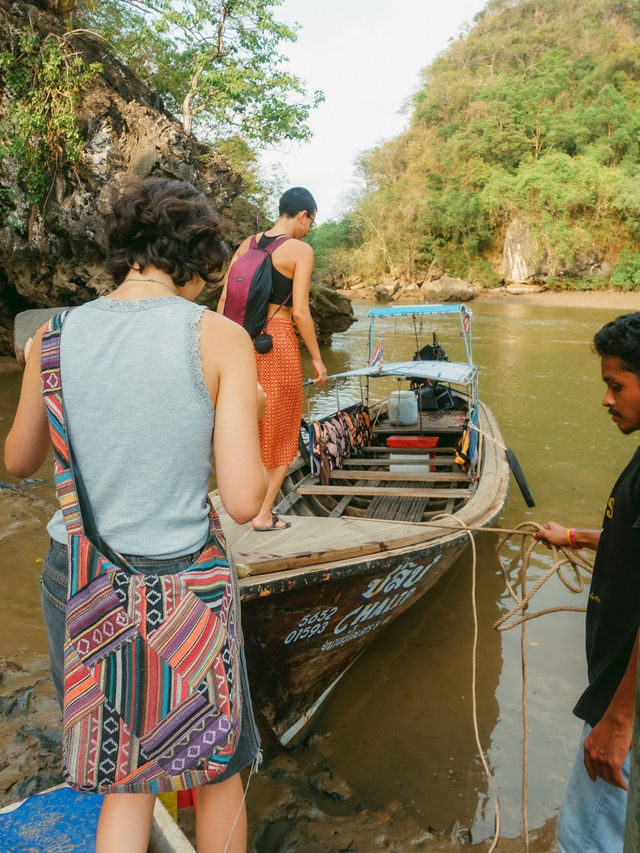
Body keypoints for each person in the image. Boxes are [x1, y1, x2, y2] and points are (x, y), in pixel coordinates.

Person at [4, 176, 267, 853]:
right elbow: (242, 499)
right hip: (185, 589)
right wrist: (265, 431)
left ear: (124, 250)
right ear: (195, 258)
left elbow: (19, 458)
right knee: (219, 765)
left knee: (124, 774)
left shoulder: (53, 338)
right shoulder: (221, 338)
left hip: (80, 577)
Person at [533, 311, 640, 853]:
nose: (606, 399)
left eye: (616, 385)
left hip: (625, 699)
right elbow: (632, 538)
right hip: (620, 693)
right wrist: (574, 536)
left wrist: (619, 720)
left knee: (585, 838)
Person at [217, 186, 328, 531]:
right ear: (302, 215)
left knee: (245, 424)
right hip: (277, 342)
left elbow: (223, 303)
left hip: (240, 341)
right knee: (283, 429)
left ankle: (238, 497)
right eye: (311, 221)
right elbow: (301, 314)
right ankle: (263, 513)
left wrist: (223, 347)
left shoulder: (245, 245)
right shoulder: (300, 250)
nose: (310, 229)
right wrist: (318, 358)